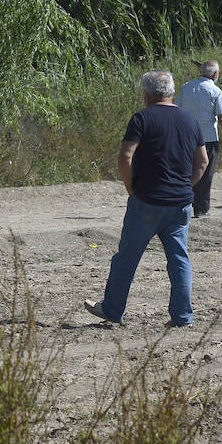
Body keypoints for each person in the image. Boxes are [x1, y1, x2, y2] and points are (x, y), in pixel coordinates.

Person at [84, 71, 209, 327]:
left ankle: (113, 309)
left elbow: (125, 157)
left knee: (126, 258)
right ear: (171, 91)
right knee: (179, 259)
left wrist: (131, 188)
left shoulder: (142, 118)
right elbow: (203, 161)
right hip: (180, 204)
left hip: (147, 201)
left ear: (147, 93)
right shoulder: (190, 120)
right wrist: (186, 186)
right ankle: (183, 315)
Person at [176, 59, 222, 218]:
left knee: (187, 170)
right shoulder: (215, 91)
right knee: (205, 173)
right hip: (208, 137)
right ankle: (201, 209)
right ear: (215, 74)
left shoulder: (186, 87)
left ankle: (184, 205)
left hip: (187, 136)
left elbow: (176, 109)